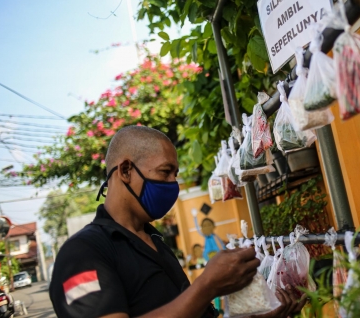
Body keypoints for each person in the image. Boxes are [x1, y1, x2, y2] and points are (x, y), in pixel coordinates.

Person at [49, 126, 305, 318]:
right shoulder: (82, 254)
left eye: (175, 175)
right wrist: (207, 286)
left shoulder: (155, 242)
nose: (173, 185)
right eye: (164, 172)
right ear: (126, 171)